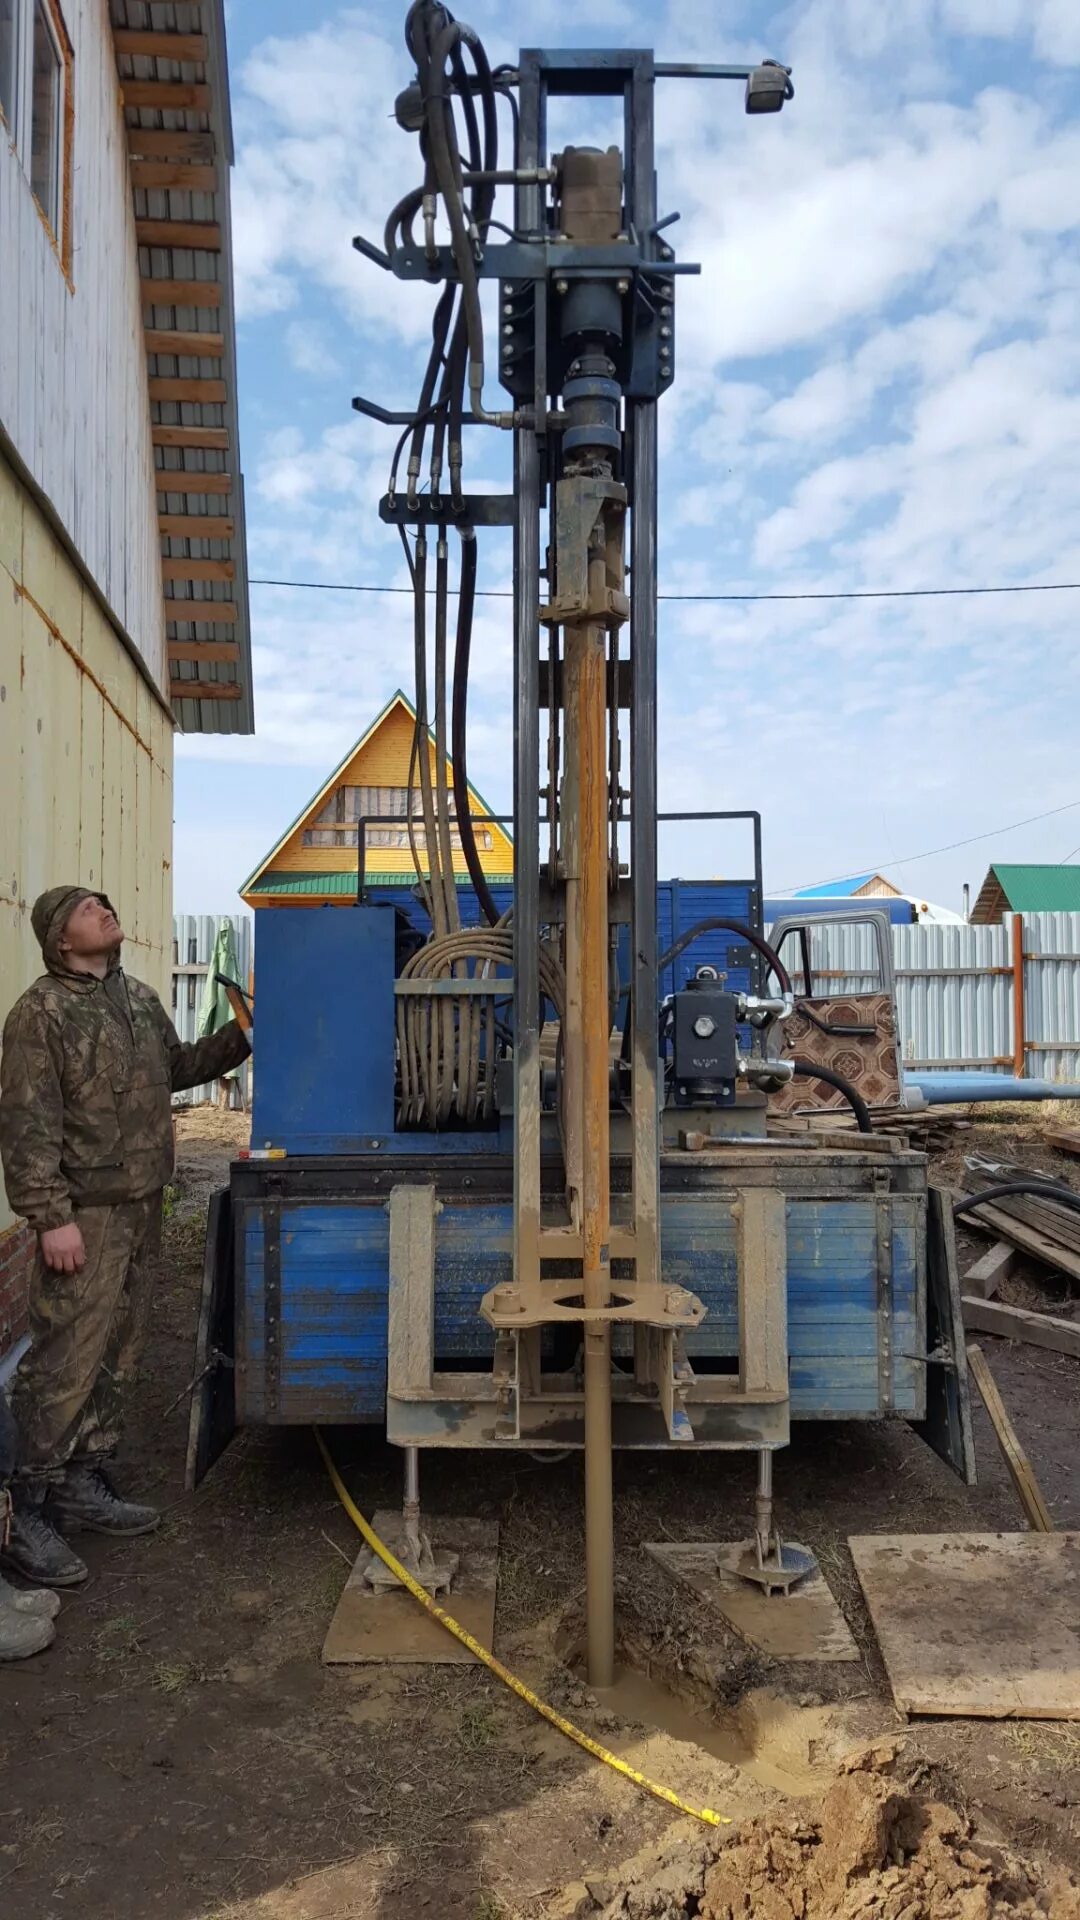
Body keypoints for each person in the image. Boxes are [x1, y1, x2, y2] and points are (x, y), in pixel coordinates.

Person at [0, 888, 251, 1589]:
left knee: (119, 1354)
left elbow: (178, 1071)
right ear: (59, 939)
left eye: (104, 904)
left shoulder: (138, 998)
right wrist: (50, 1218)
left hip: (142, 1206)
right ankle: (23, 1511)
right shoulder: (39, 1013)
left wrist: (243, 1036)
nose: (104, 910)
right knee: (63, 1361)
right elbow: (26, 1126)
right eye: (87, 909)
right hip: (85, 1216)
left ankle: (82, 1481)